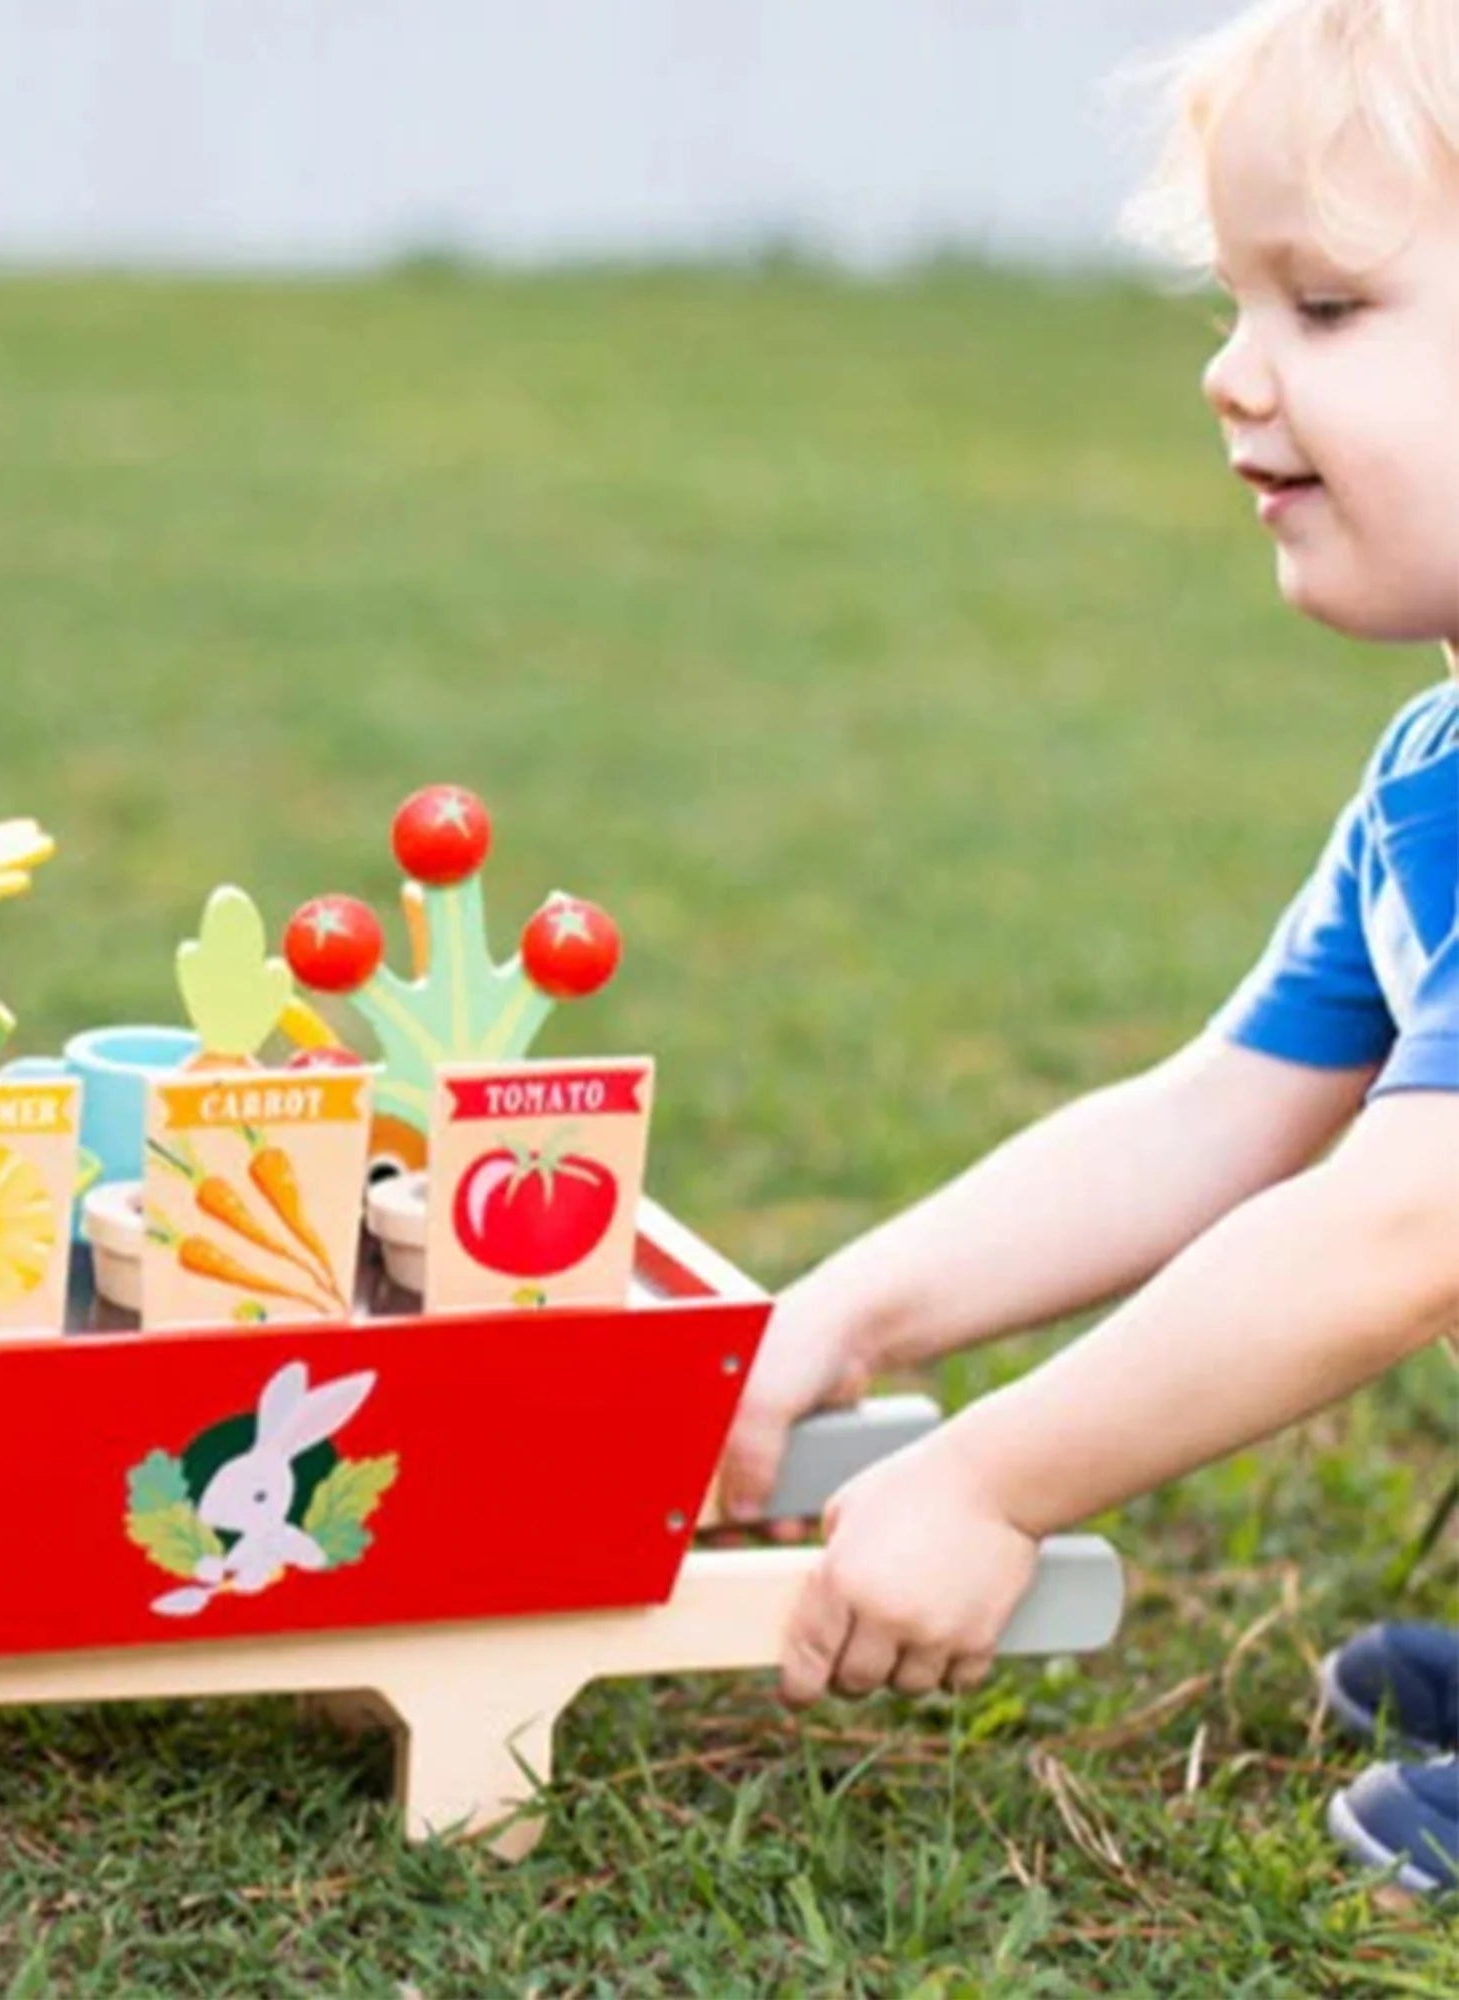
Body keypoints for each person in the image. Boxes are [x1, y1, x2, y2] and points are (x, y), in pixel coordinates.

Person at [716, 0, 1459, 1897]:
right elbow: (1216, 1115)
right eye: (1233, 301)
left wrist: (991, 1478)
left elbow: (1402, 1228)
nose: (1231, 371)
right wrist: (843, 1321)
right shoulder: (1429, 781)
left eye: (1329, 309)